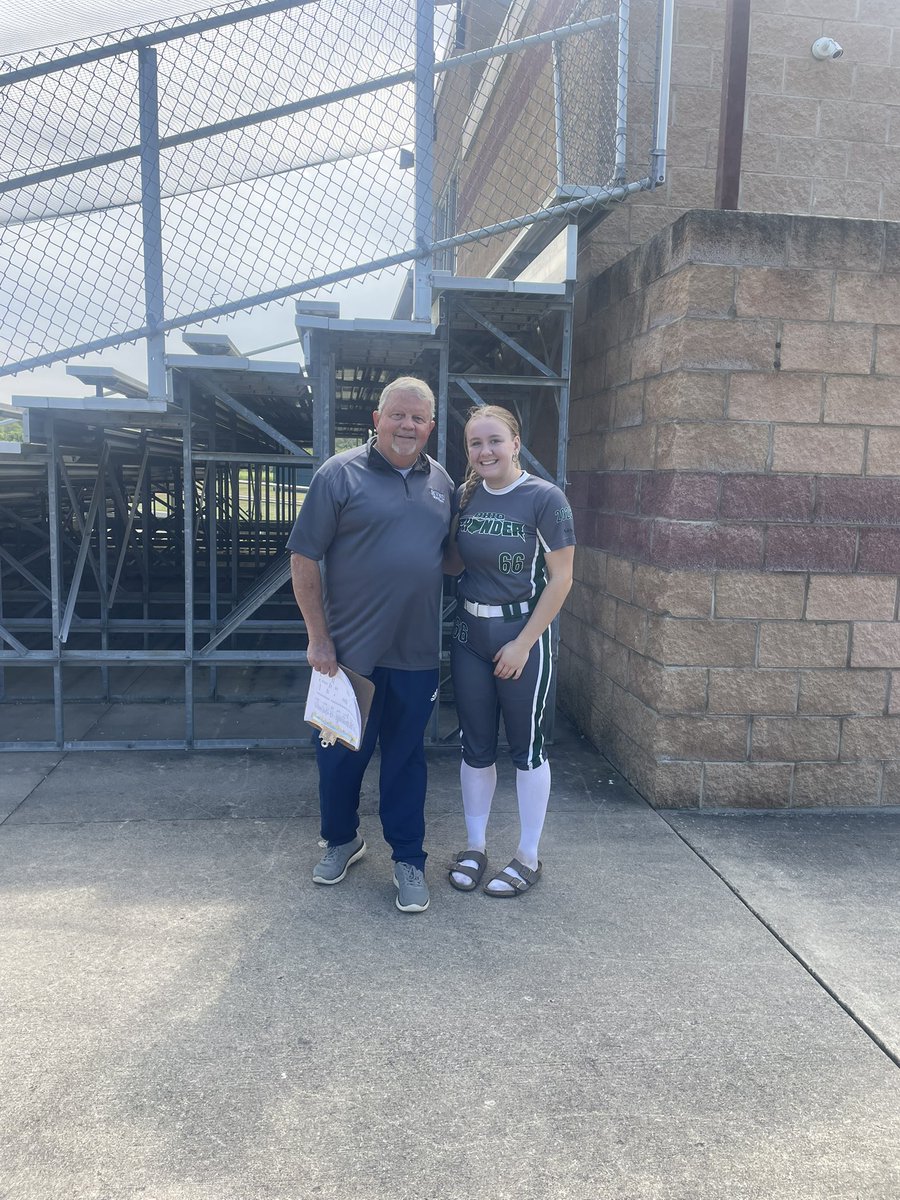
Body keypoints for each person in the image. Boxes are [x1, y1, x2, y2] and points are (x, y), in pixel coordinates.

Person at [287, 377, 453, 913]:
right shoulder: (339, 474)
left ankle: (408, 859)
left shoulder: (442, 482)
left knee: (406, 760)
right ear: (377, 419)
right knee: (339, 760)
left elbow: (450, 555)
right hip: (350, 655)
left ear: (431, 426)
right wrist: (318, 639)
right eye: (398, 416)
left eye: (419, 419)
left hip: (416, 654)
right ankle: (341, 841)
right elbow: (304, 558)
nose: (408, 426)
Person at [444, 405, 575, 897]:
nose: (485, 451)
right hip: (469, 635)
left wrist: (524, 643)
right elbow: (453, 559)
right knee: (475, 747)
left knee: (527, 750)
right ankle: (475, 846)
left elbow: (562, 579)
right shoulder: (467, 495)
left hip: (520, 634)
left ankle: (527, 855)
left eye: (495, 441)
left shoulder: (544, 498)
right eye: (475, 444)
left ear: (515, 443)